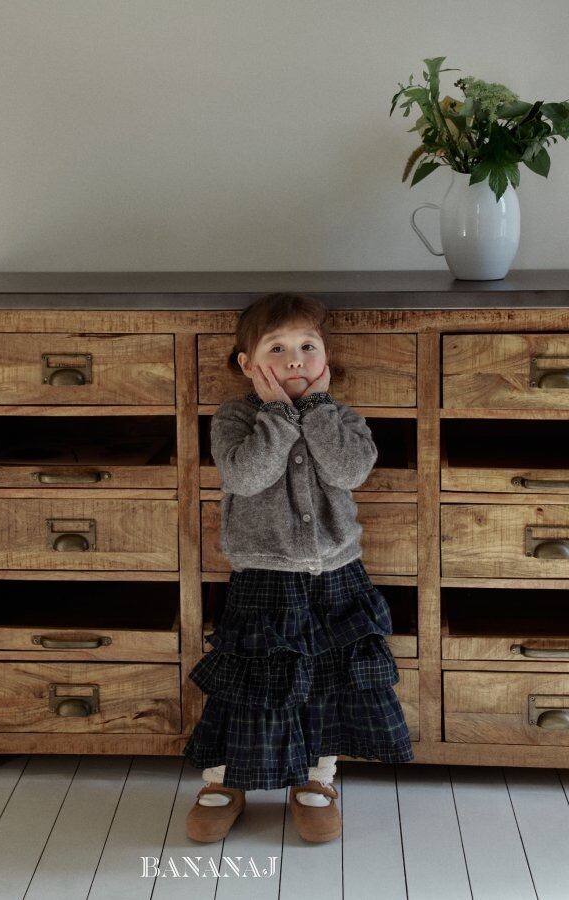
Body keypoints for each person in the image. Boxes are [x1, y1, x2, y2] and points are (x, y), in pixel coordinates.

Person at [183, 291, 414, 843]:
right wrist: (280, 414)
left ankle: (318, 779)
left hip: (336, 575)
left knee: (328, 682)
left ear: (325, 357)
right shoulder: (237, 417)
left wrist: (315, 410)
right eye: (277, 349)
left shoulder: (341, 417)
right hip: (264, 578)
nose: (295, 361)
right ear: (247, 364)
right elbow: (245, 475)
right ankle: (224, 780)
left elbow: (350, 470)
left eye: (308, 347)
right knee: (251, 683)